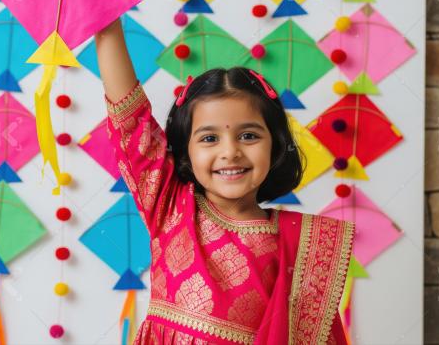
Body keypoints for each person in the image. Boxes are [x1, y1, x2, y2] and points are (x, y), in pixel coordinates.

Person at [95, 18, 355, 344]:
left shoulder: (299, 246)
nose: (230, 152)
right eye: (209, 138)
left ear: (275, 144)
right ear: (185, 150)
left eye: (248, 135)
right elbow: (130, 119)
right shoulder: (170, 206)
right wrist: (106, 19)